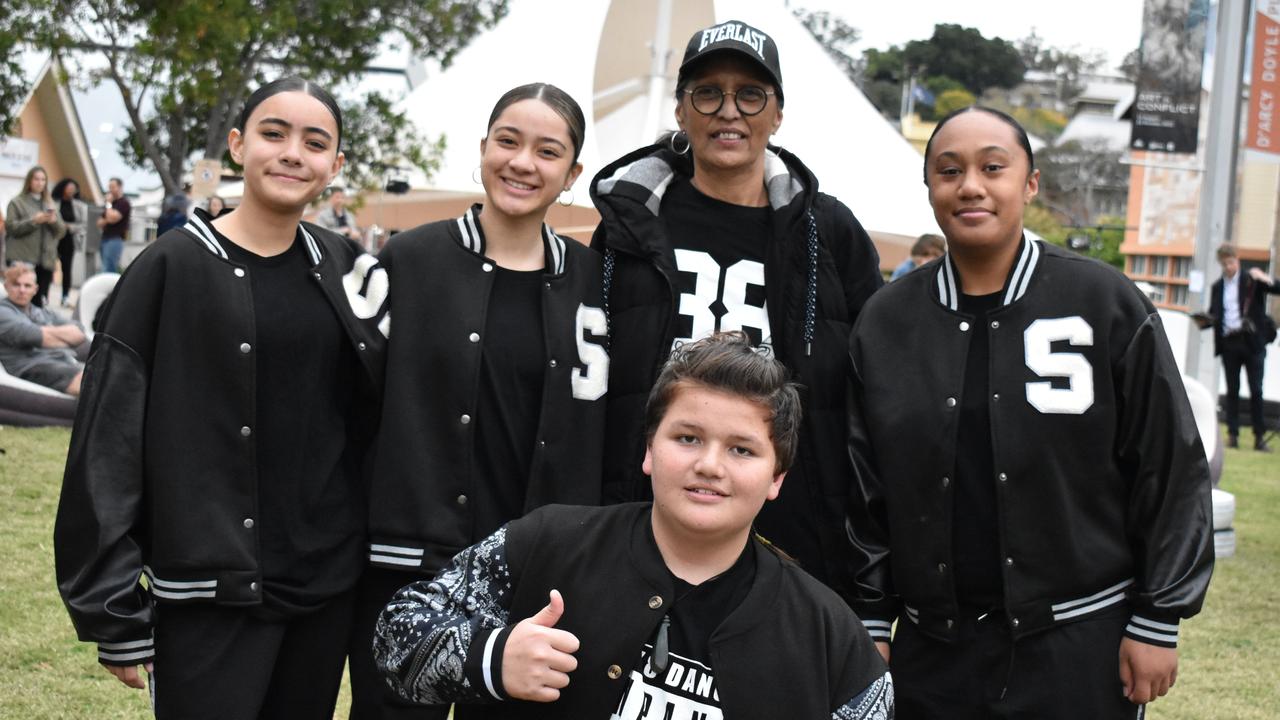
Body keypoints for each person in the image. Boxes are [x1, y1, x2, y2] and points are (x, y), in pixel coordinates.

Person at [845, 106, 1214, 719]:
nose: (971, 185)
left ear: (1030, 183)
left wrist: (1158, 617)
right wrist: (871, 615)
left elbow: (1169, 464)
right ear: (930, 186)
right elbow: (864, 487)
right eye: (949, 170)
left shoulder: (1104, 301)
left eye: (994, 167)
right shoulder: (886, 321)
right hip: (934, 649)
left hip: (1079, 639)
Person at [54, 77, 389, 720]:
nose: (293, 153)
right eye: (273, 133)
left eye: (314, 142)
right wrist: (113, 606)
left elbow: (371, 417)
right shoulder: (168, 268)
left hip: (323, 587)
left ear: (335, 166)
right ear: (237, 146)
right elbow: (106, 443)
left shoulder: (346, 266)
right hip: (208, 591)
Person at [373, 331, 893, 720]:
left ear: (776, 476)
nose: (709, 465)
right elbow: (394, 638)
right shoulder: (546, 543)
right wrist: (490, 656)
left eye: (741, 449)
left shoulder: (830, 636)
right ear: (648, 450)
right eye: (687, 438)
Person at [589, 19, 883, 603]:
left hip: (795, 525)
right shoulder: (628, 225)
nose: (729, 111)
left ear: (777, 114)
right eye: (708, 93)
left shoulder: (830, 231)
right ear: (680, 111)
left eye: (751, 95)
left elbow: (871, 393)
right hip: (645, 515)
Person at [349, 82, 609, 720]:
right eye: (508, 142)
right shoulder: (410, 259)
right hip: (409, 559)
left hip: (531, 570)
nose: (523, 163)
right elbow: (354, 405)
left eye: (548, 152)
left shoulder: (589, 280)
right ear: (484, 147)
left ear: (572, 173)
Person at [1206, 242, 1280, 452]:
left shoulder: (1251, 281)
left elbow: (1277, 288)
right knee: (1232, 390)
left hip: (1251, 342)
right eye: (1224, 264)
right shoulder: (1217, 287)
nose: (1228, 267)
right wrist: (1207, 320)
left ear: (1237, 260)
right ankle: (1233, 434)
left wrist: (1266, 279)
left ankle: (1259, 437)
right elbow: (1215, 313)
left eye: (1231, 262)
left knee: (1256, 390)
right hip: (1230, 343)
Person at [0, 263, 85, 394]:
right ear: (6, 287)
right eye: (16, 284)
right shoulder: (3, 311)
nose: (22, 290)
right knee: (88, 379)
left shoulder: (41, 312)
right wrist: (63, 336)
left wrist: (47, 332)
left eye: (27, 286)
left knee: (101, 371)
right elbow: (33, 336)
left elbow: (80, 332)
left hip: (57, 361)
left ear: (35, 289)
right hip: (28, 367)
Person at [5, 165, 66, 306]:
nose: (40, 183)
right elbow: (12, 228)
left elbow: (61, 232)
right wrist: (34, 221)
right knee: (19, 302)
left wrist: (54, 222)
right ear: (29, 181)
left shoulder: (50, 204)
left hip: (45, 261)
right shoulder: (17, 202)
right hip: (22, 260)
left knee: (39, 303)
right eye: (36, 179)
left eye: (43, 179)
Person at [51, 178, 89, 306]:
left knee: (66, 269)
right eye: (69, 188)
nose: (71, 191)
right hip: (54, 240)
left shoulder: (79, 206)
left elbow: (84, 225)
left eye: (74, 189)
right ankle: (43, 295)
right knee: (48, 267)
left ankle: (65, 296)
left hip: (69, 241)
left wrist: (69, 227)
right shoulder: (53, 203)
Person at [96, 177, 131, 273]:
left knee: (109, 267)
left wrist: (108, 204)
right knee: (104, 266)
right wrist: (109, 216)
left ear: (120, 187)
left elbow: (112, 219)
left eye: (113, 187)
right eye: (109, 187)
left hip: (115, 239)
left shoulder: (123, 203)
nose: (110, 190)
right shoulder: (111, 205)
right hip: (105, 238)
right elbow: (99, 222)